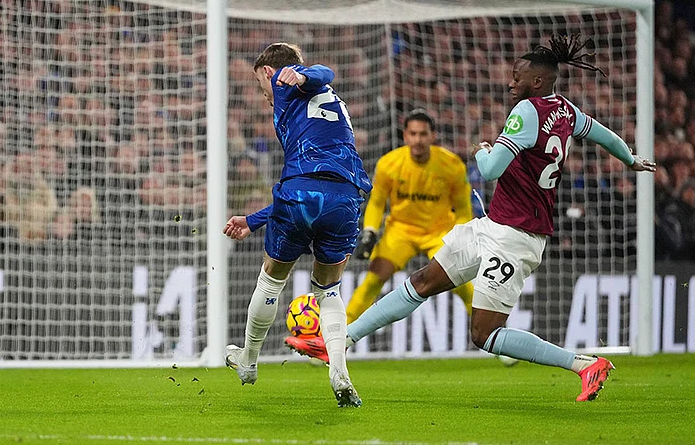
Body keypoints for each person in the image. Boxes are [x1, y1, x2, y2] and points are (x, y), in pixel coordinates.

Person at [285, 34, 656, 402]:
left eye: (518, 76)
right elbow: (603, 135)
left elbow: (492, 169)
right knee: (422, 281)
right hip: (495, 226)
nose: (512, 81)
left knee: (484, 335)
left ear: (537, 81)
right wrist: (630, 159)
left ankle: (583, 364)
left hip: (516, 237)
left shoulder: (526, 111)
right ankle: (340, 341)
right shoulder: (566, 110)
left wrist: (483, 151)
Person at [222, 42, 371, 408]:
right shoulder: (333, 102)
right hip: (346, 197)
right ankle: (339, 370)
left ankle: (249, 361)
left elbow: (323, 71)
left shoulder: (290, 85)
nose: (264, 96)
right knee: (329, 290)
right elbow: (325, 77)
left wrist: (300, 72)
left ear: (270, 73)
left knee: (272, 277)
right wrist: (254, 221)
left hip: (301, 193)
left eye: (261, 84)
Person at [286, 108, 479, 359]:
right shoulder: (390, 164)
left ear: (433, 136)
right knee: (373, 280)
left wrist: (460, 237)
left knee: (462, 285)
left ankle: (490, 335)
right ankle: (334, 342)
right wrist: (369, 232)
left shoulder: (451, 165)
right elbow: (376, 203)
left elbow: (464, 208)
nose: (418, 139)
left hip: (438, 232)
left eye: (423, 134)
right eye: (413, 134)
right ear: (405, 136)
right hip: (401, 232)